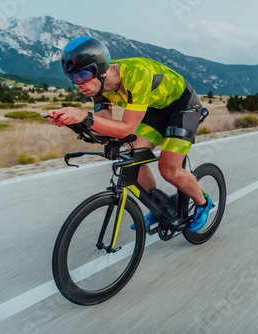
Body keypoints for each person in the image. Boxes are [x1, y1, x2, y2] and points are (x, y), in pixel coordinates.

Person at [47, 36, 211, 232]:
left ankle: (203, 203)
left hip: (183, 107)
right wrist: (75, 122)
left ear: (100, 70)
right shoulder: (98, 87)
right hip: (154, 109)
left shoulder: (136, 74)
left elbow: (127, 128)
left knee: (168, 169)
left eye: (81, 75)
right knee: (132, 156)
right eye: (72, 78)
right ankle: (157, 204)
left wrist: (83, 115)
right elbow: (103, 123)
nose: (77, 84)